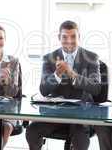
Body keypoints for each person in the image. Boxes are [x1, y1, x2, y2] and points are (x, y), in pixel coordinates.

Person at [25, 20, 102, 150]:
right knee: (32, 130)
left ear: (79, 37)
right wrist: (56, 75)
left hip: (81, 114)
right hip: (55, 114)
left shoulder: (91, 57)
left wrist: (73, 74)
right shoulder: (49, 58)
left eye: (73, 36)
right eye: (65, 37)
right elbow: (43, 90)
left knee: (80, 139)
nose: (69, 41)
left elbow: (96, 88)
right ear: (59, 38)